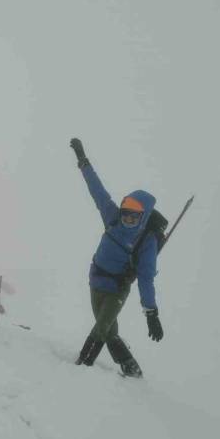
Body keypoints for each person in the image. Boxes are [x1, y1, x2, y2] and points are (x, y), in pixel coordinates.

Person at [71, 138, 164, 377]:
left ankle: (81, 365)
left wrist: (151, 313)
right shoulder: (112, 217)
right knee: (110, 330)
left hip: (116, 289)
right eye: (125, 215)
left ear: (143, 218)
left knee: (101, 329)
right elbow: (97, 191)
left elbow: (146, 278)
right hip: (95, 281)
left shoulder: (147, 242)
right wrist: (83, 161)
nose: (127, 221)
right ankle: (130, 366)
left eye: (133, 218)